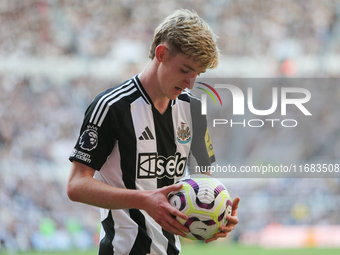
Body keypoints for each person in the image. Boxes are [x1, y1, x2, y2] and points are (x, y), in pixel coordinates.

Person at [67, 9, 240, 255]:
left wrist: (218, 216)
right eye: (184, 70)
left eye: (197, 75)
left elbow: (204, 181)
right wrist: (144, 200)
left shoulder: (193, 109)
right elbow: (76, 184)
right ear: (161, 54)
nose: (190, 83)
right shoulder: (111, 107)